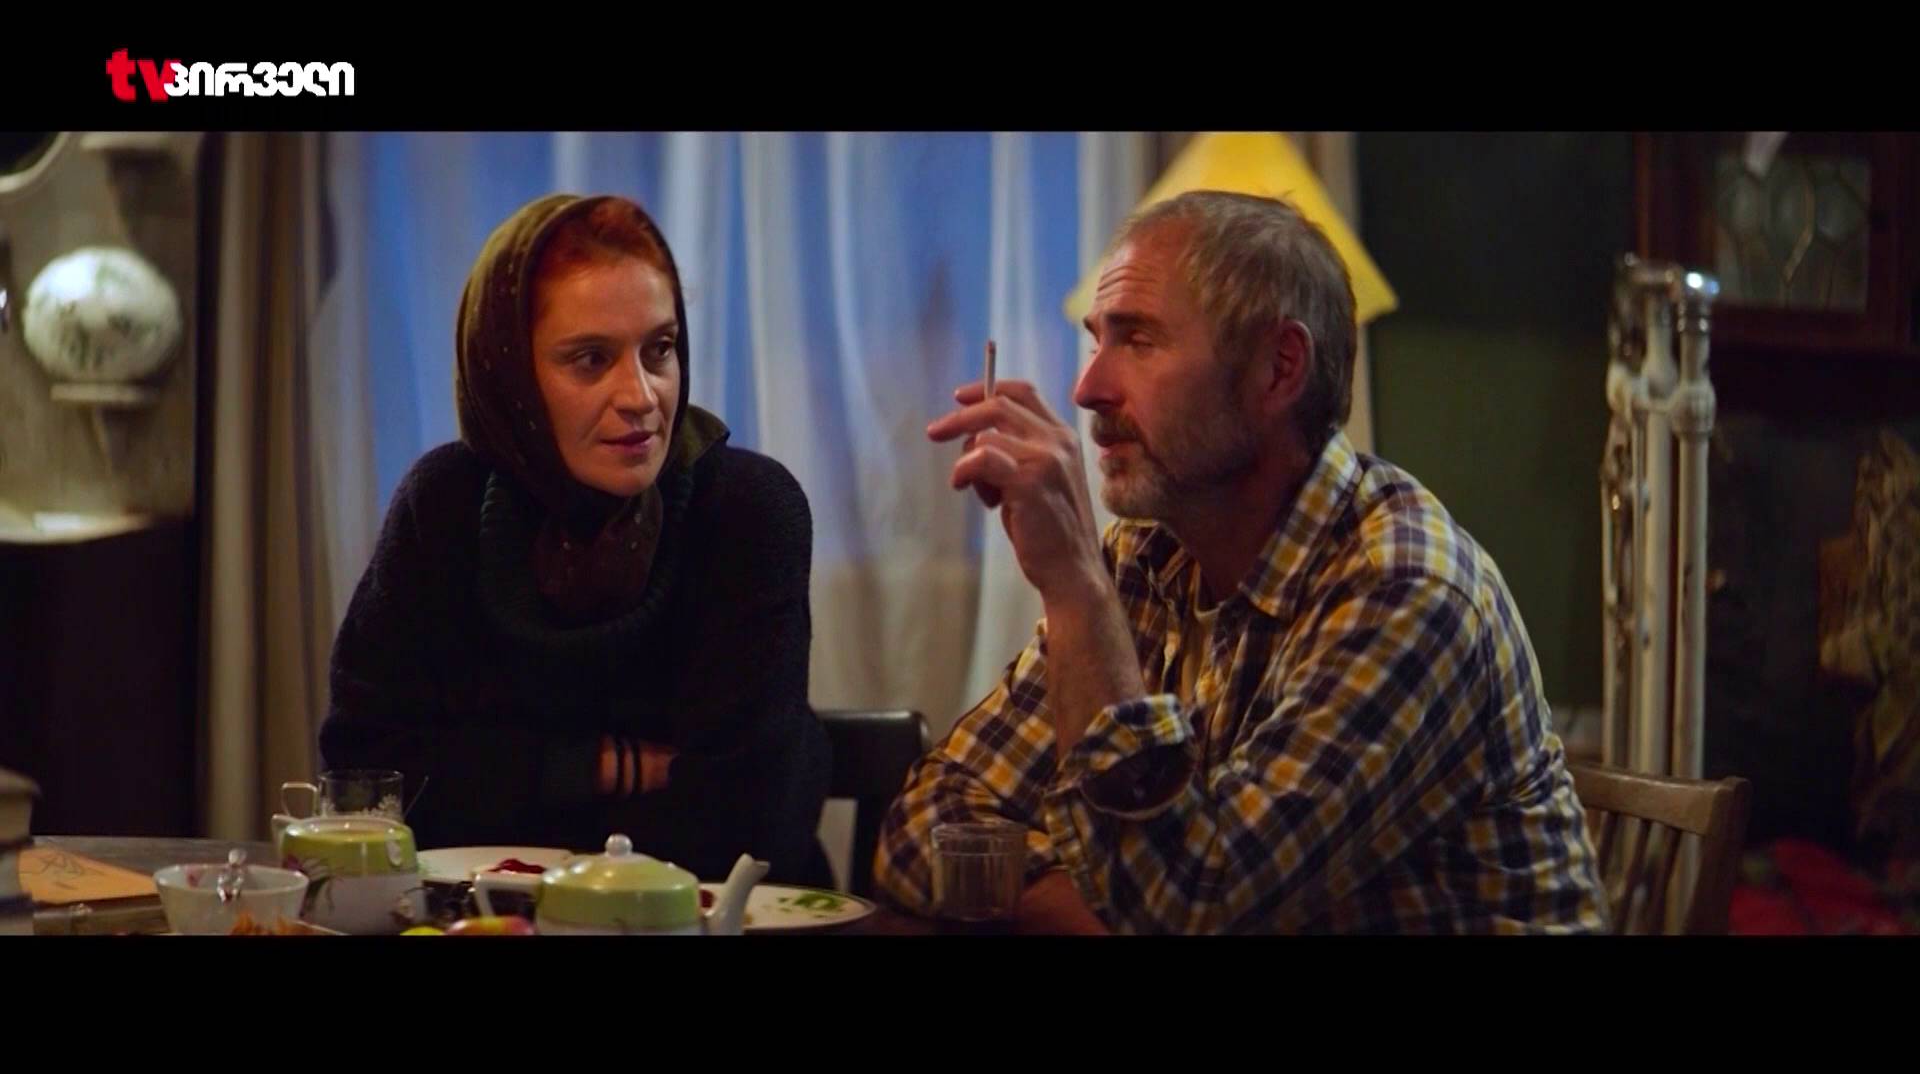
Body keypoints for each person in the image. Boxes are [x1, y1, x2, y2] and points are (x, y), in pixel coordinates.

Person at [875, 190, 1609, 933]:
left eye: (1138, 341)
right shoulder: (1148, 556)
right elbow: (925, 822)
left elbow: (1193, 904)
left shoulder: (1407, 591)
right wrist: (1087, 907)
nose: (1087, 388)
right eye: (1098, 341)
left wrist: (1072, 588)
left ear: (1278, 369)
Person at [320, 193, 832, 888]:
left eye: (660, 350)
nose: (642, 396)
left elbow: (744, 826)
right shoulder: (444, 504)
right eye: (591, 360)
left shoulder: (746, 508)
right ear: (508, 374)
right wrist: (609, 766)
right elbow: (367, 785)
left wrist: (498, 782)